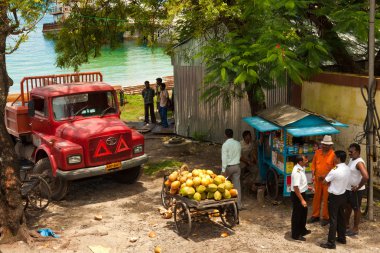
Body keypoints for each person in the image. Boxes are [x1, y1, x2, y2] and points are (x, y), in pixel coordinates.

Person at [320, 150, 350, 249]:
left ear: (338, 158)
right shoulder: (347, 168)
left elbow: (325, 182)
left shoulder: (335, 169)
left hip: (334, 196)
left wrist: (322, 179)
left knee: (333, 219)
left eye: (334, 157)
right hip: (343, 195)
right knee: (341, 217)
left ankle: (331, 243)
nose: (333, 158)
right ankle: (342, 237)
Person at [308, 135, 335, 226]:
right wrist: (313, 175)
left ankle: (326, 217)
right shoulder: (317, 153)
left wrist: (325, 176)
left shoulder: (333, 155)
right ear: (322, 144)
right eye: (324, 144)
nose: (325, 146)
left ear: (330, 146)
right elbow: (313, 165)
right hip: (317, 180)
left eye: (328, 145)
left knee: (326, 199)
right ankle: (315, 215)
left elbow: (335, 169)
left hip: (327, 181)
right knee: (316, 198)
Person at [345, 143, 369, 236]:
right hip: (349, 189)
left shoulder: (359, 162)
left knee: (356, 208)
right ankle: (346, 225)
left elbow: (366, 176)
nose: (349, 153)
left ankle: (355, 228)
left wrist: (358, 186)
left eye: (351, 151)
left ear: (358, 152)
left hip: (356, 191)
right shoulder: (352, 159)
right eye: (349, 151)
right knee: (348, 207)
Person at [291, 155, 312, 241]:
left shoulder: (301, 168)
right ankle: (295, 234)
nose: (307, 160)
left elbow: (301, 183)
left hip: (302, 193)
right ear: (300, 162)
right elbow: (296, 188)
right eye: (305, 160)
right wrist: (302, 200)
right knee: (297, 215)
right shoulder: (297, 172)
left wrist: (307, 187)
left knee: (304, 213)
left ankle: (302, 230)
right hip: (297, 195)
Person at [221, 128, 242, 210]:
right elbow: (240, 155)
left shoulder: (225, 145)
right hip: (237, 167)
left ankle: (224, 205)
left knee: (222, 186)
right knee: (237, 187)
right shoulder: (238, 143)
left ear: (225, 135)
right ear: (232, 134)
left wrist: (223, 170)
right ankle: (238, 205)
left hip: (228, 167)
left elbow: (224, 158)